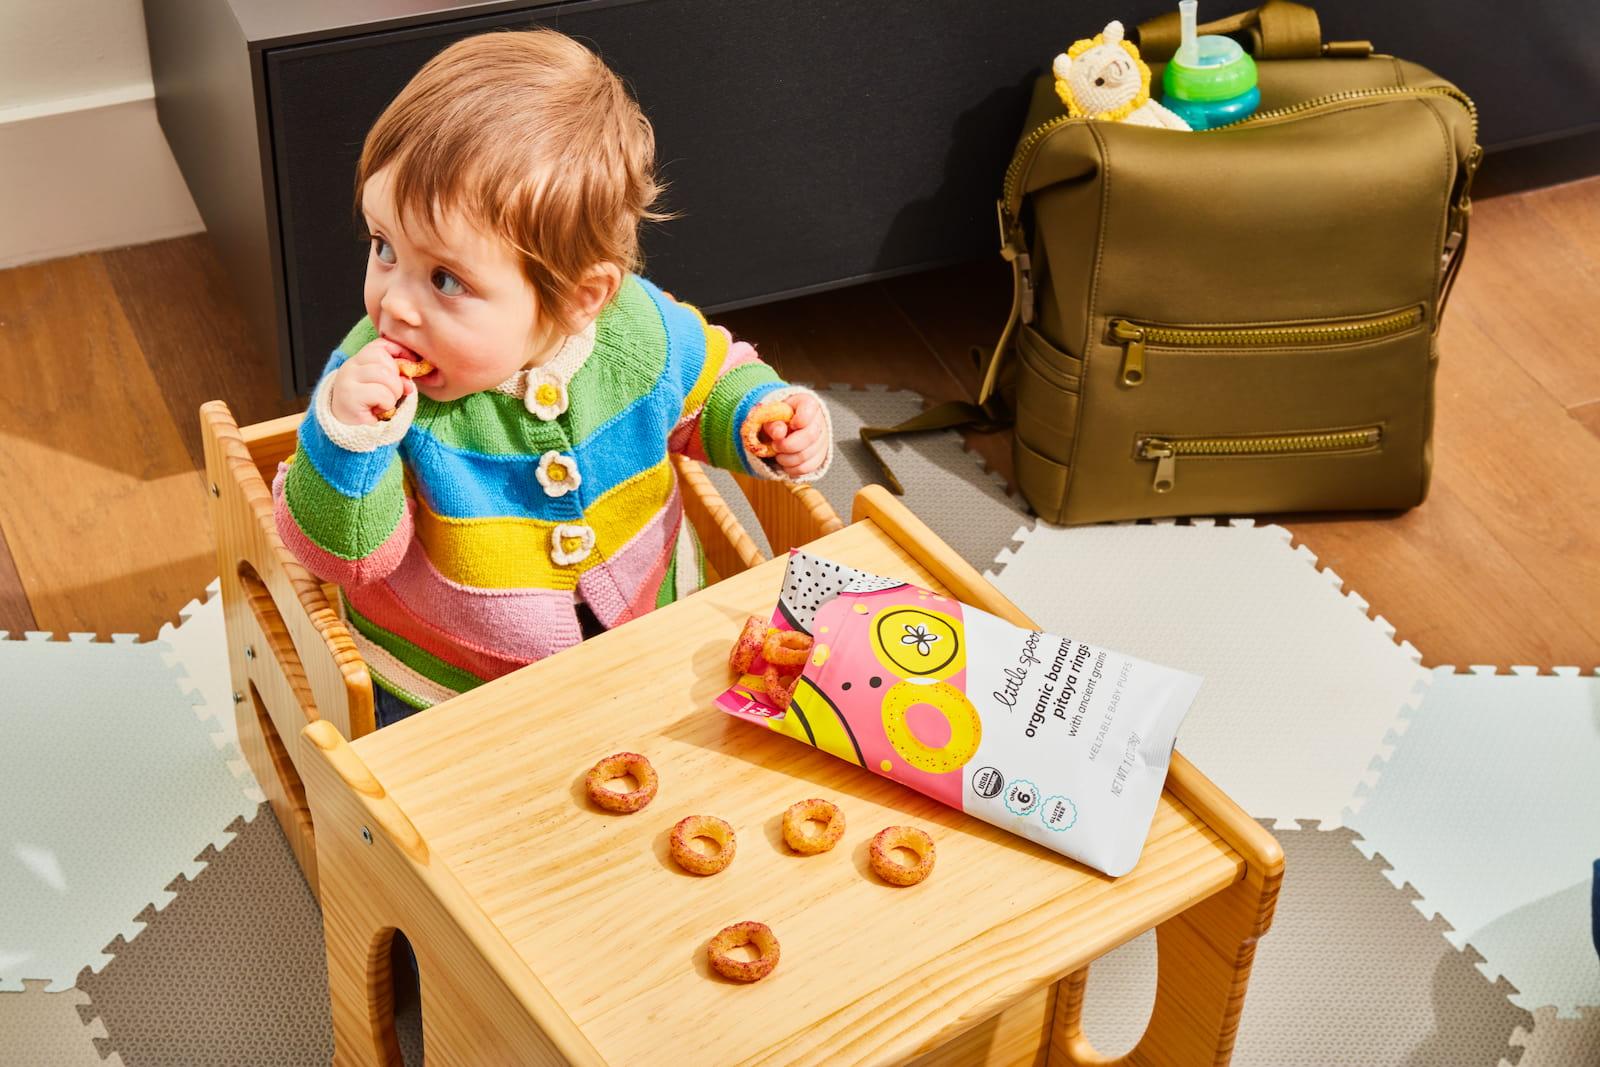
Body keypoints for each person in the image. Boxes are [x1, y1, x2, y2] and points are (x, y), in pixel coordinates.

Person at [273, 29, 831, 728]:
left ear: (579, 298)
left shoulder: (638, 332)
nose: (395, 302)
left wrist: (763, 414)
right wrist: (351, 440)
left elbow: (711, 385)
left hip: (648, 616)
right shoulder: (373, 389)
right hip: (450, 681)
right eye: (383, 246)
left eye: (446, 278)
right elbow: (345, 555)